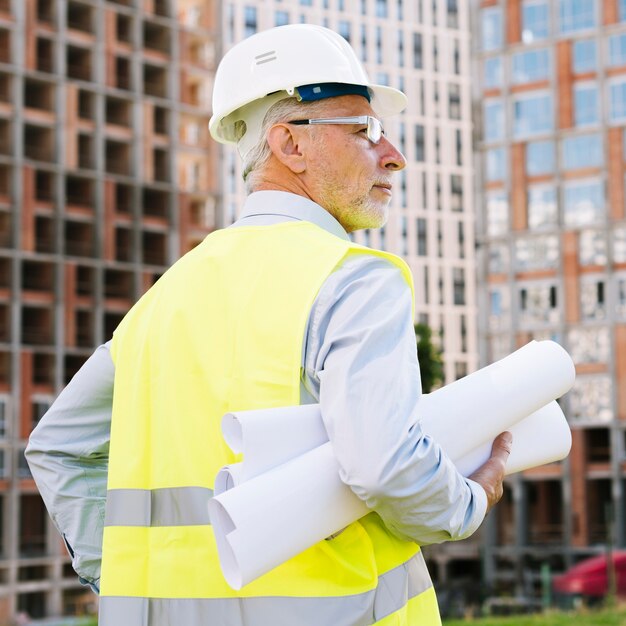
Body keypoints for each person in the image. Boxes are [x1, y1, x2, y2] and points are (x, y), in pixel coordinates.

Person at [26, 24, 511, 626]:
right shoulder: (353, 279)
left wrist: (117, 574)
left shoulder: (163, 299)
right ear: (290, 144)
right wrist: (469, 499)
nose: (395, 155)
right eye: (365, 131)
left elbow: (58, 445)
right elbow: (385, 467)